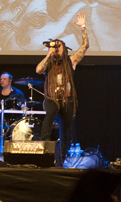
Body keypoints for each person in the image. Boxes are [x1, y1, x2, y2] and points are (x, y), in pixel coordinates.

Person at [36, 12, 89, 166]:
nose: (56, 48)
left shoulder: (71, 60)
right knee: (51, 112)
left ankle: (60, 161)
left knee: (65, 133)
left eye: (59, 46)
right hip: (52, 98)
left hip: (67, 99)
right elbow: (39, 70)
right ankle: (44, 145)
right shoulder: (49, 62)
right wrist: (49, 54)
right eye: (55, 46)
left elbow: (85, 46)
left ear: (64, 48)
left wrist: (83, 28)